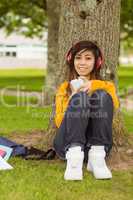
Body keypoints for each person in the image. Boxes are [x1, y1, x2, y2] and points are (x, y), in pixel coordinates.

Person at [53, 41, 119, 180]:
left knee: (102, 96)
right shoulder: (64, 87)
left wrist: (94, 86)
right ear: (72, 60)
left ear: (97, 62)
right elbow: (59, 122)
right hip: (67, 145)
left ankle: (96, 159)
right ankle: (74, 162)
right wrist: (74, 98)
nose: (82, 62)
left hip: (94, 145)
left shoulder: (106, 86)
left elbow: (113, 107)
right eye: (78, 58)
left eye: (88, 58)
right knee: (80, 98)